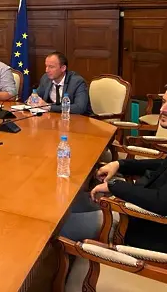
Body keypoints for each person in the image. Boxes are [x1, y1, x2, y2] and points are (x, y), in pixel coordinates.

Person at [61, 94, 167, 252]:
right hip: (134, 206)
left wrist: (115, 186)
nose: (162, 109)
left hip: (142, 226)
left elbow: (162, 202)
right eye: (164, 102)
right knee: (69, 202)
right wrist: (120, 164)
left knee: (58, 226)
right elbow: (161, 165)